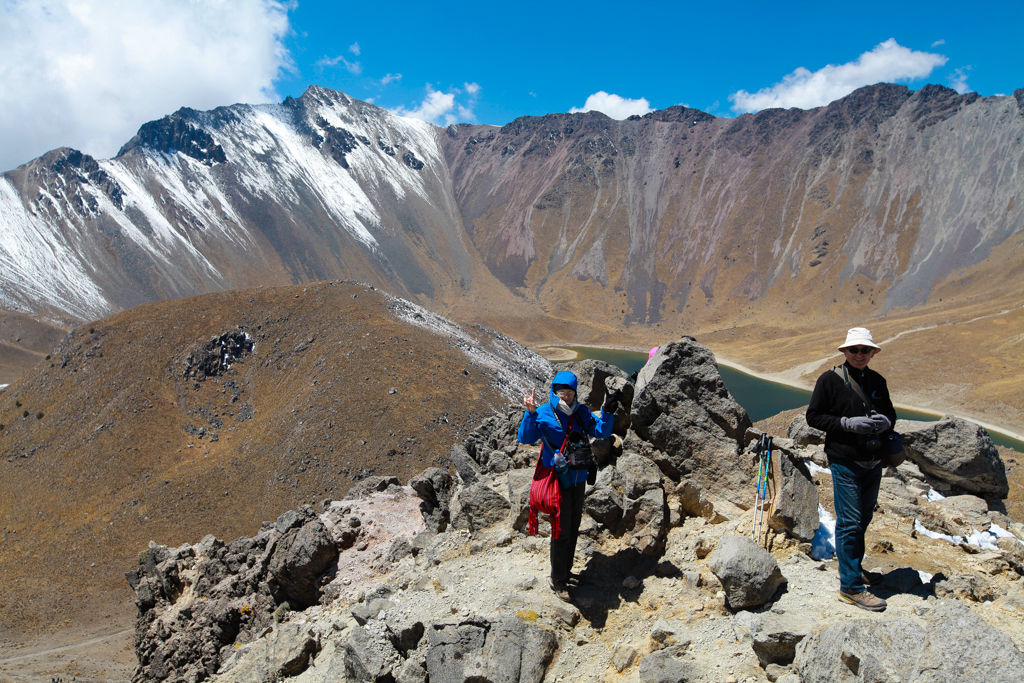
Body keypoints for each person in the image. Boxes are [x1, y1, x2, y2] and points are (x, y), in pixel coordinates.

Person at [806, 327, 896, 612]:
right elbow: (814, 417)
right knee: (850, 521)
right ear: (844, 352)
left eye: (865, 350)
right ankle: (851, 588)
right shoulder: (829, 380)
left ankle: (852, 568)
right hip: (845, 460)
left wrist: (885, 422)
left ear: (872, 353)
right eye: (854, 350)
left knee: (864, 517)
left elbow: (891, 413)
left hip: (873, 461)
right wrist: (846, 424)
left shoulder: (877, 381)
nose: (859, 355)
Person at [518, 370, 617, 602]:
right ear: (554, 392)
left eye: (570, 392)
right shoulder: (543, 412)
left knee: (573, 526)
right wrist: (530, 414)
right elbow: (525, 438)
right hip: (557, 480)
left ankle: (567, 571)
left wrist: (608, 411)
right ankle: (558, 579)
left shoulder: (581, 412)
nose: (566, 397)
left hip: (579, 478)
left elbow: (602, 431)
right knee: (561, 529)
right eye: (561, 392)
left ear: (575, 393)